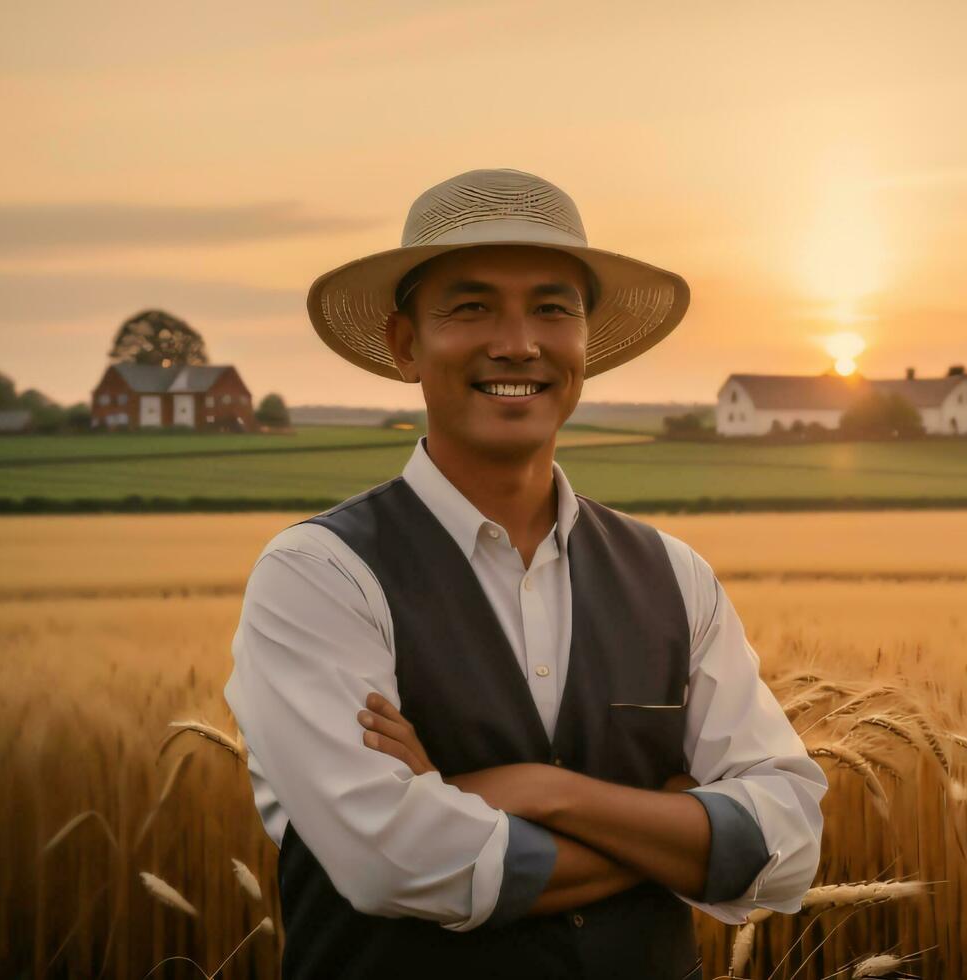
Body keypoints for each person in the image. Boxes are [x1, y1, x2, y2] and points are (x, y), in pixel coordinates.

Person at [223, 168, 827, 979]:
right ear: (406, 344)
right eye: (471, 308)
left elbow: (790, 842)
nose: (518, 343)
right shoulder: (317, 577)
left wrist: (537, 791)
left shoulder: (674, 577)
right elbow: (392, 862)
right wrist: (680, 831)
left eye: (552, 308)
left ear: (585, 342)